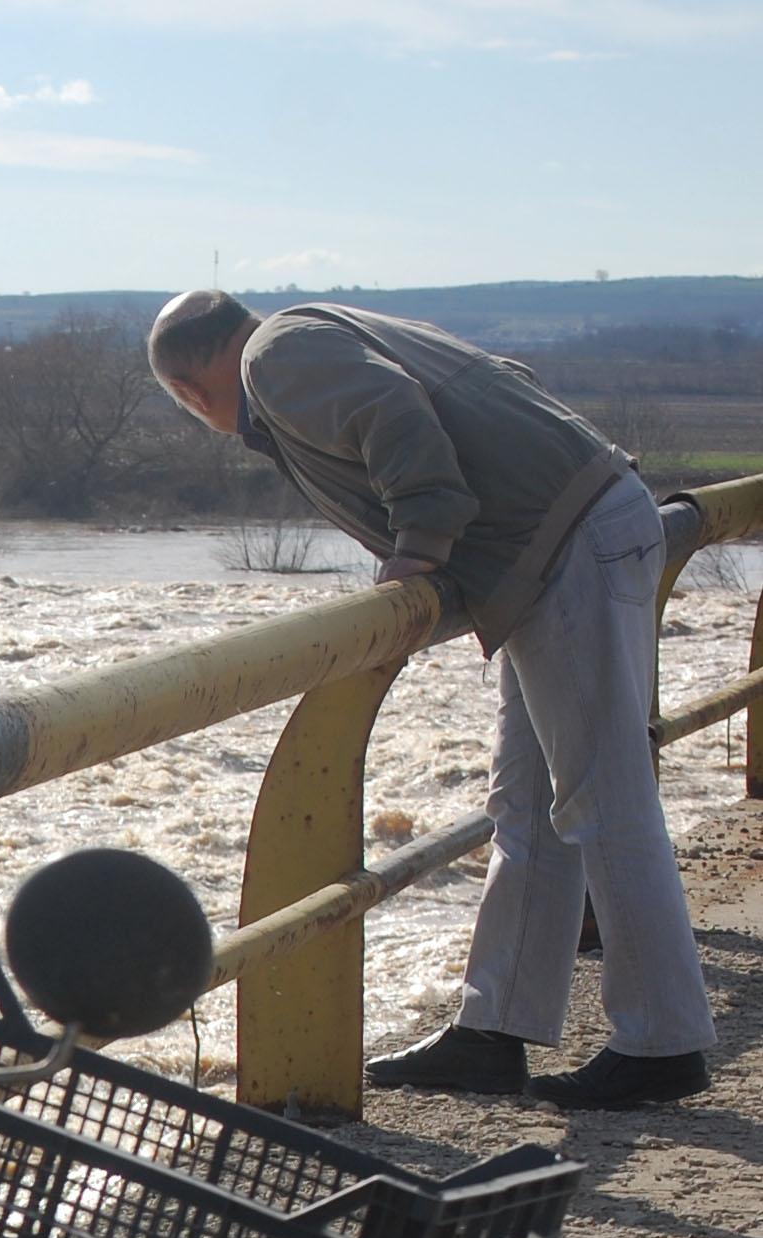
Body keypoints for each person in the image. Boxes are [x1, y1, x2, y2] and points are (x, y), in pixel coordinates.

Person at [147, 291, 714, 1108]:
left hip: (560, 546)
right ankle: (494, 1031)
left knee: (605, 799)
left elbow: (397, 417)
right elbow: (499, 378)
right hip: (556, 543)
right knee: (527, 804)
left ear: (191, 394)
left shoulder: (273, 359)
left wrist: (416, 554)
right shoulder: (320, 326)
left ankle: (664, 1043)